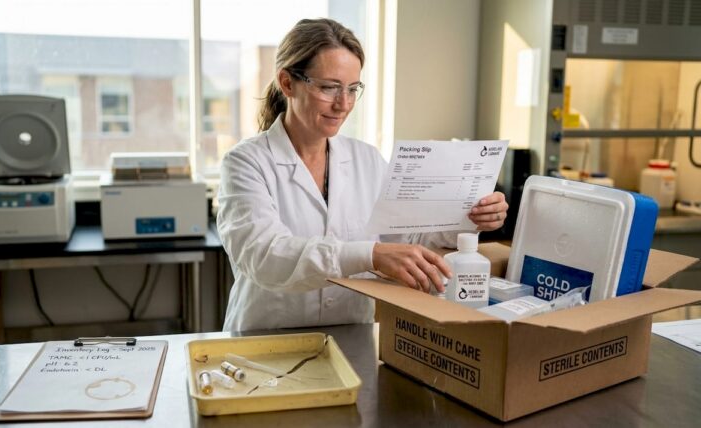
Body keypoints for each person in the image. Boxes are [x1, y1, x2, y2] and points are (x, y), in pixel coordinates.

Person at [217, 18, 509, 332]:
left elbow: (409, 237)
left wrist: (470, 217)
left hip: (351, 337)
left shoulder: (366, 159)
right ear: (287, 83)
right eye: (330, 87)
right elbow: (265, 256)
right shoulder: (246, 162)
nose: (343, 104)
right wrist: (370, 255)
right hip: (266, 343)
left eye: (353, 89)